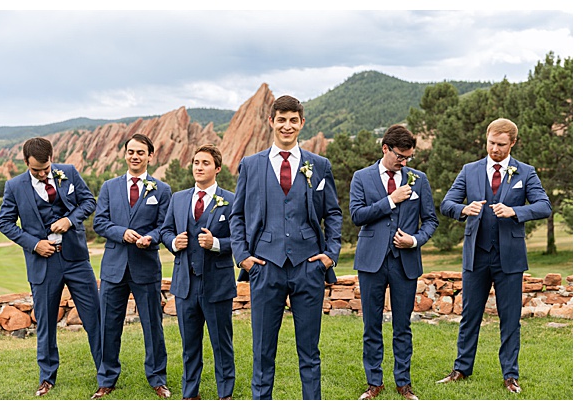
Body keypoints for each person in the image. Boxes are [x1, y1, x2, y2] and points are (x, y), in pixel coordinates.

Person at [229, 95, 342, 400]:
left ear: (302, 123)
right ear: (272, 122)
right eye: (282, 119)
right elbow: (236, 214)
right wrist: (243, 257)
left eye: (293, 120)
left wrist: (330, 255)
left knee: (309, 351)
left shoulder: (319, 165)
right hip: (265, 267)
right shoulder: (251, 165)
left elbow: (332, 213)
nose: (287, 126)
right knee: (263, 351)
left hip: (309, 267)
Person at [436, 118, 550, 394]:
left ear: (512, 143)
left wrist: (516, 212)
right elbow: (446, 203)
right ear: (485, 140)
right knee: (469, 315)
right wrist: (464, 209)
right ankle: (462, 369)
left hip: (509, 258)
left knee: (510, 318)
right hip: (476, 255)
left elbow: (544, 206)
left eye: (501, 145)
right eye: (491, 143)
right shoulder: (469, 170)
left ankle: (510, 375)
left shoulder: (526, 172)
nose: (495, 149)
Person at [0, 137, 102, 397]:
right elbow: (5, 222)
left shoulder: (69, 173)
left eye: (46, 169)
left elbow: (88, 202)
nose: (43, 174)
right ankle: (47, 378)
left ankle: (106, 373)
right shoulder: (14, 186)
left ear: (52, 158)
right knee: (45, 323)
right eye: (36, 171)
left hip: (76, 259)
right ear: (25, 163)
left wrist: (69, 220)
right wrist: (34, 244)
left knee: (94, 317)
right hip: (43, 264)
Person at [348, 125, 437, 400]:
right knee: (371, 325)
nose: (405, 162)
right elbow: (357, 215)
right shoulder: (361, 177)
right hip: (371, 262)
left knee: (403, 326)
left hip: (405, 263)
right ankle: (374, 382)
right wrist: (390, 200)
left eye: (408, 157)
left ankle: (404, 382)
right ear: (385, 148)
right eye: (400, 156)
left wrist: (414, 240)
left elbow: (431, 220)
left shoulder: (418, 179)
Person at [91, 134, 172, 399]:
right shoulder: (109, 187)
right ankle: (106, 379)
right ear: (124, 154)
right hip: (114, 267)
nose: (134, 156)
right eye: (130, 152)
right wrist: (121, 232)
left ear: (150, 155)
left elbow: (165, 226)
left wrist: (153, 238)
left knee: (153, 326)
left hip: (145, 266)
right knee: (109, 326)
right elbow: (100, 223)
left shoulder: (161, 190)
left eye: (140, 152)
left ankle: (158, 378)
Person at [158, 144, 237, 400]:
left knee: (221, 344)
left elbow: (242, 239)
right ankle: (190, 395)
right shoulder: (178, 198)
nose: (199, 167)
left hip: (217, 284)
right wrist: (172, 242)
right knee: (190, 346)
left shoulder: (232, 200)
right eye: (195, 162)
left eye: (204, 163)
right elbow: (165, 230)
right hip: (185, 285)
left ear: (217, 168)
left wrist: (216, 244)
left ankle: (225, 394)